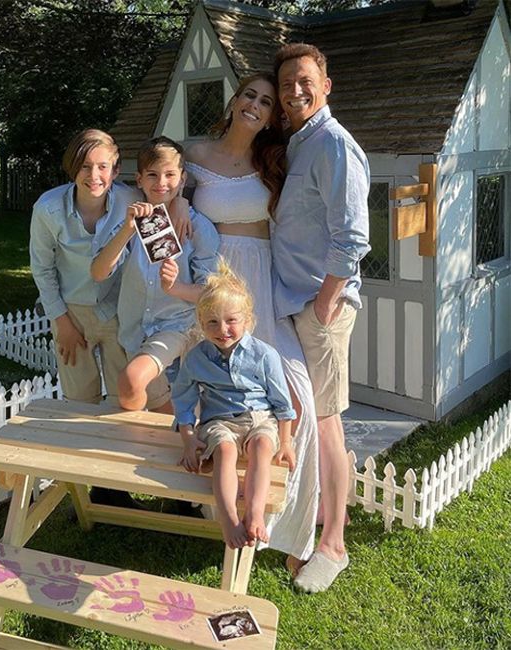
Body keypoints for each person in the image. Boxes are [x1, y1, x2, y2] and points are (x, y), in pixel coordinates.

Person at [185, 75, 319, 570]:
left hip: (260, 277)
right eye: (250, 96)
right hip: (215, 280)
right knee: (216, 390)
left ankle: (285, 529)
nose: (256, 106)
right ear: (234, 99)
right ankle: (217, 511)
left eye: (266, 102)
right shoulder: (194, 152)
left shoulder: (274, 159)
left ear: (270, 115)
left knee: (295, 390)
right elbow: (162, 197)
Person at [272, 43, 371, 592]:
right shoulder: (300, 143)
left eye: (305, 81)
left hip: (320, 306)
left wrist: (325, 303)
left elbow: (353, 236)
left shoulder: (333, 143)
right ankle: (331, 516)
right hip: (300, 303)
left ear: (326, 85)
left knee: (329, 423)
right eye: (287, 84)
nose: (295, 91)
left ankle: (333, 543)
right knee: (317, 417)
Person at [172, 262, 296, 548]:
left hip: (259, 419)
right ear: (201, 323)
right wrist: (189, 442)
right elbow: (184, 400)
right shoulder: (196, 358)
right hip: (220, 422)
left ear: (247, 320)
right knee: (226, 452)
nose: (223, 330)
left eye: (231, 321)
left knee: (263, 447)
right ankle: (228, 518)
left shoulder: (264, 356)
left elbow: (282, 404)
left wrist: (286, 442)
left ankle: (254, 514)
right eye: (212, 322)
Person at [91, 136, 219, 413]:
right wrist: (127, 229)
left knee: (130, 381)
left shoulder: (198, 228)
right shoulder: (132, 222)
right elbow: (99, 272)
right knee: (165, 412)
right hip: (134, 330)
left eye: (170, 175)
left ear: (182, 178)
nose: (161, 182)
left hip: (176, 326)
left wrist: (175, 288)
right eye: (152, 175)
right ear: (139, 179)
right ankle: (167, 447)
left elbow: (211, 293)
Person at [29, 128, 137, 405]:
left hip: (118, 309)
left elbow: (169, 193)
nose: (94, 176)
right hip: (71, 312)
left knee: (125, 396)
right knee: (78, 399)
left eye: (103, 167)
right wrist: (61, 322)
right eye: (85, 167)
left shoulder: (130, 201)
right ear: (72, 168)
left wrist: (182, 204)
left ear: (116, 170)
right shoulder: (48, 209)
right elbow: (42, 269)